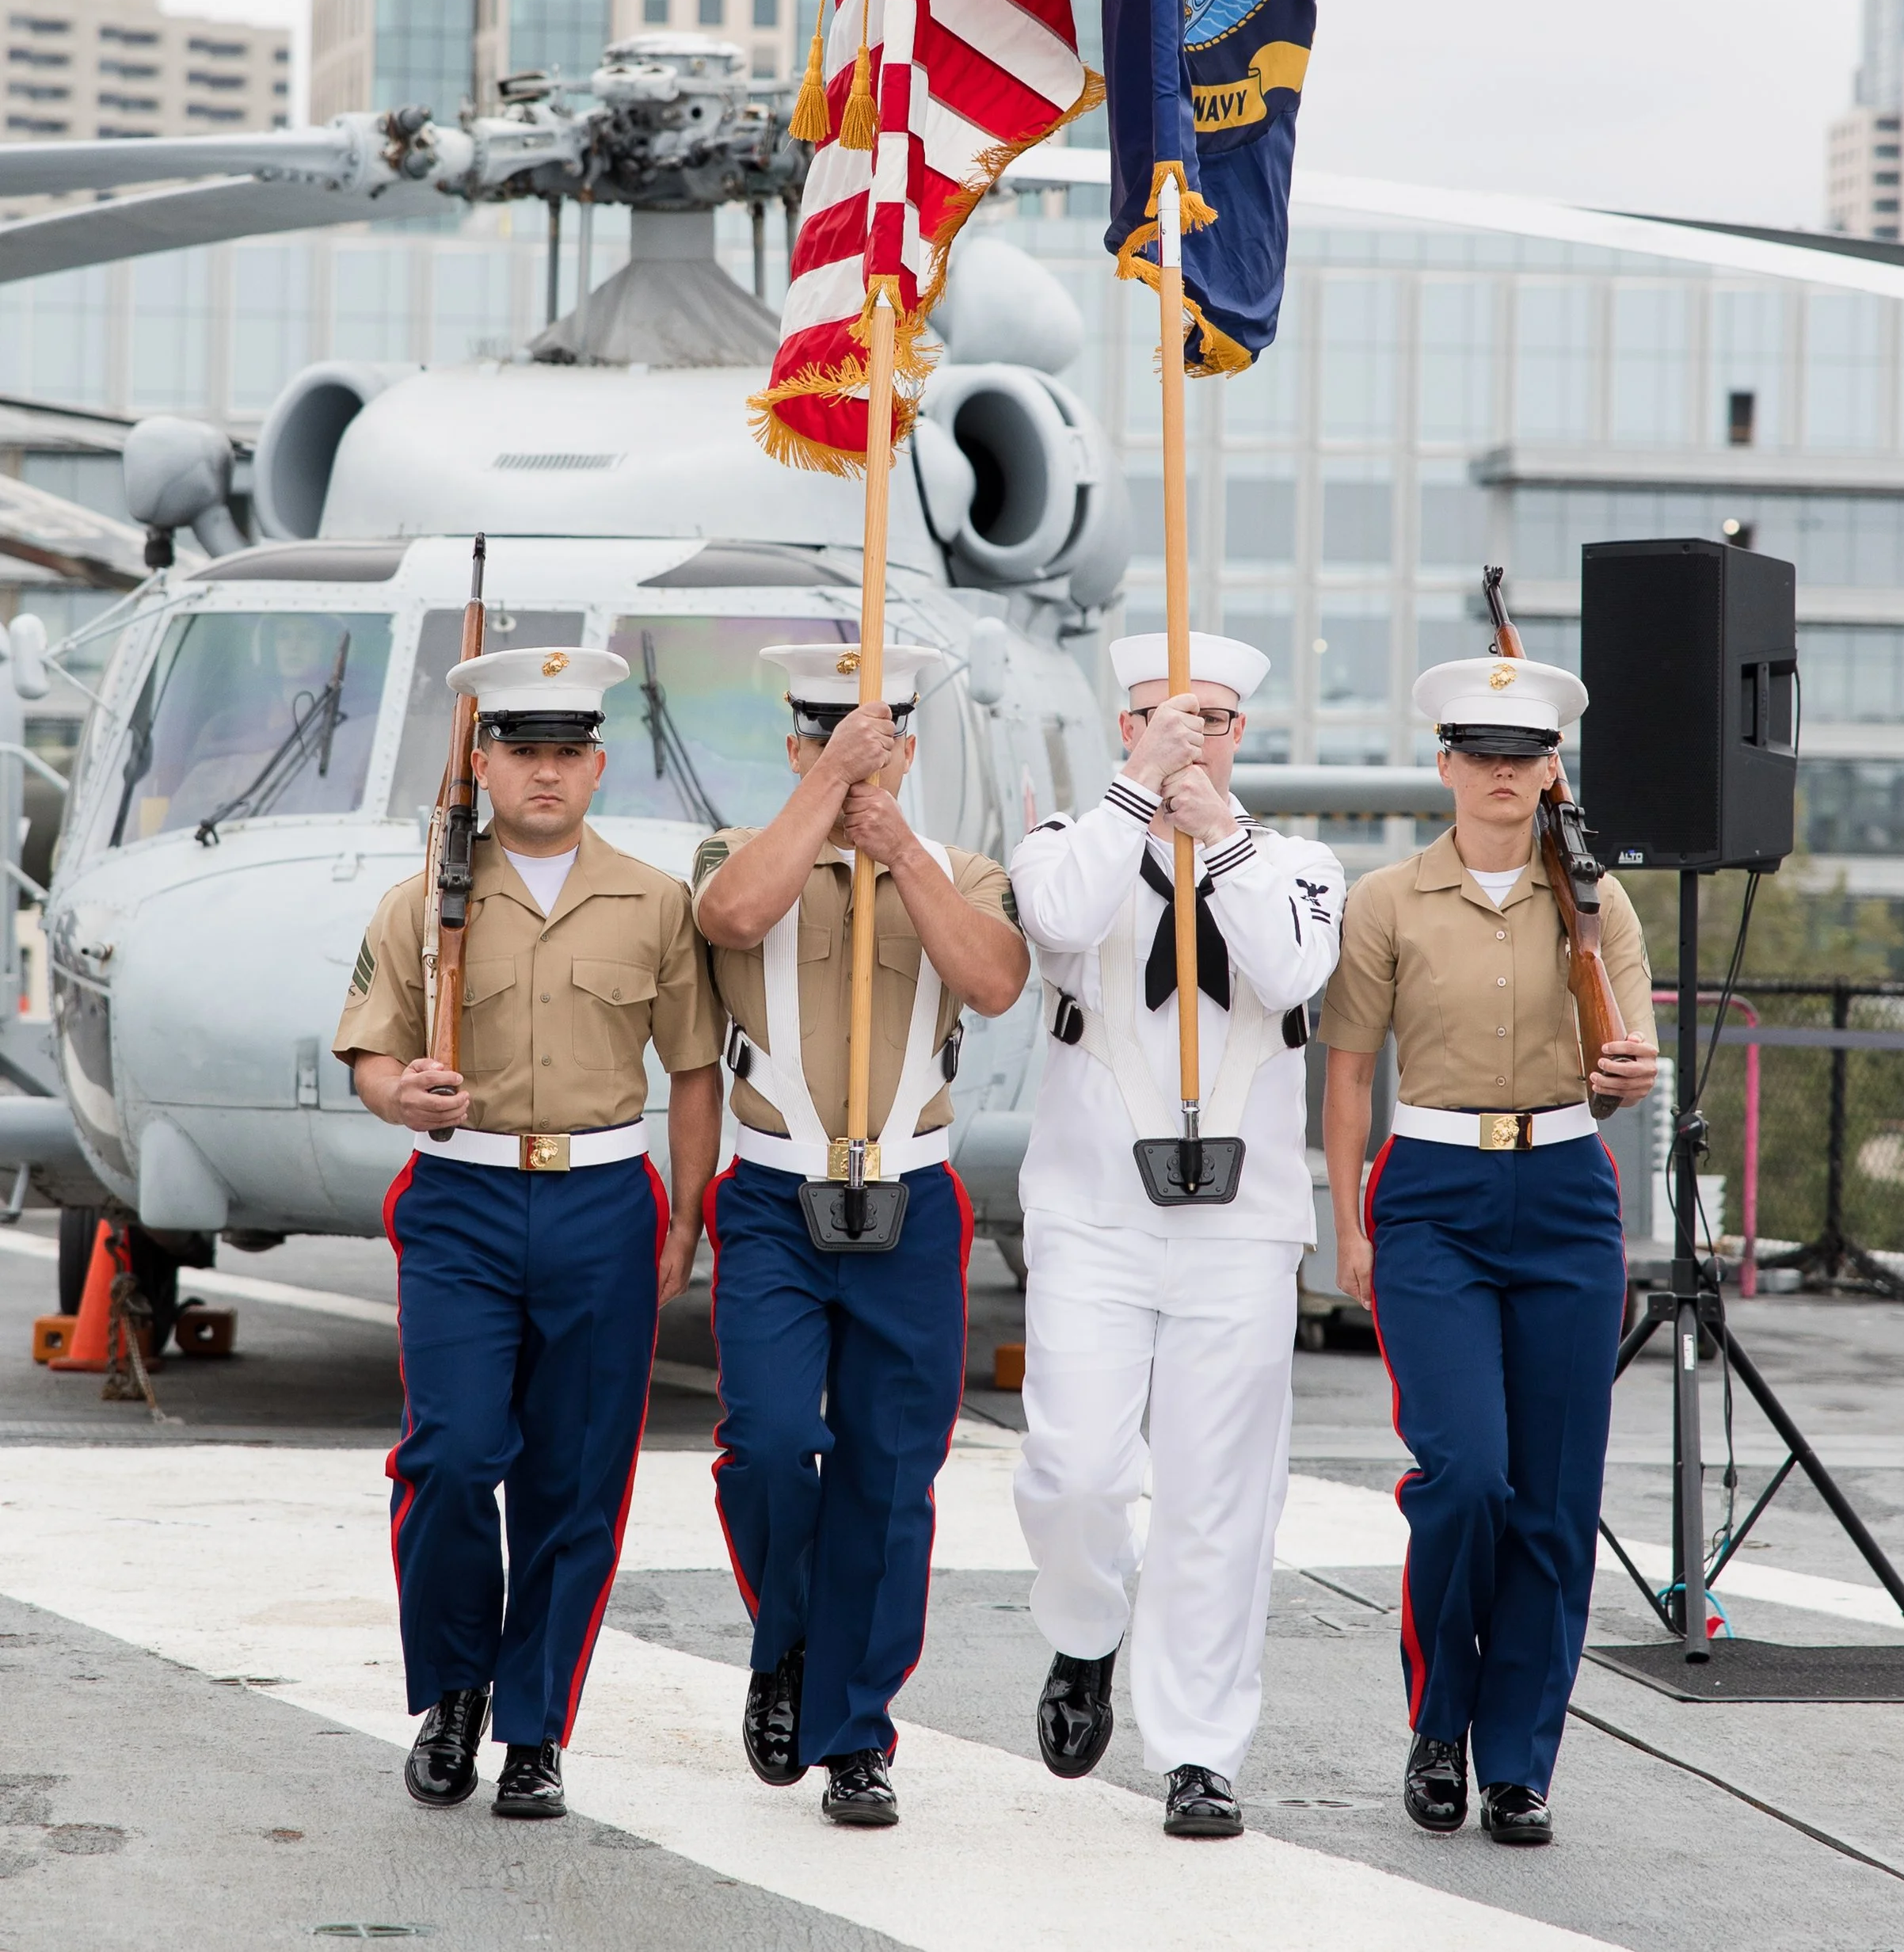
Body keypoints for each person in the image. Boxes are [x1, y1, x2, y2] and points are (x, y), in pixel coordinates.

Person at [334, 644, 723, 1824]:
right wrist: (398, 1093)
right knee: (450, 1457)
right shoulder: (423, 900)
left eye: (566, 754)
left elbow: (695, 1069)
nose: (544, 774)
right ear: (483, 763)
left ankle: (536, 1725)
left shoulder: (655, 901)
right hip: (462, 1202)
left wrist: (687, 1217)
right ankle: (454, 1688)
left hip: (606, 1203)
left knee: (574, 1482)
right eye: (522, 752)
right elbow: (370, 1047)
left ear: (599, 765)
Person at [1007, 632, 1344, 1841]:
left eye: (1207, 718)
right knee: (1077, 1469)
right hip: (1094, 1214)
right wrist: (1136, 795)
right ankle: (1084, 1628)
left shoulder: (1295, 864)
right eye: (1160, 715)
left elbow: (1292, 962)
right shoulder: (1067, 843)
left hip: (1239, 1228)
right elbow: (1058, 915)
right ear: (1122, 726)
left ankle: (1199, 1748)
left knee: (1218, 1497)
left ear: (1240, 734)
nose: (1186, 734)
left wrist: (1221, 837)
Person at [1319, 653, 1658, 1849]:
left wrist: (1626, 1070)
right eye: (1482, 753)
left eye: (1525, 757)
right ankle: (1439, 1720)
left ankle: (1518, 1760)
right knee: (1464, 1475)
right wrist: (1349, 1223)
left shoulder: (1600, 900)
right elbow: (1350, 1068)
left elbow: (1628, 1057)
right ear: (1446, 764)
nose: (1503, 774)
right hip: (1433, 1195)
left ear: (1551, 769)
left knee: (1555, 1503)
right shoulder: (1388, 900)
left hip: (1567, 1190)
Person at [692, 641, 1030, 1831]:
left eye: (873, 737)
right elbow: (732, 913)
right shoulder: (739, 855)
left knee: (892, 1479)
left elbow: (992, 982)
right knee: (775, 1445)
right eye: (828, 735)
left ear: (910, 749)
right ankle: (786, 1639)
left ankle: (855, 1732)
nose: (852, 753)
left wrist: (897, 851)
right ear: (797, 743)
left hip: (910, 1200)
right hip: (777, 1199)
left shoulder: (965, 868)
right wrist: (824, 795)